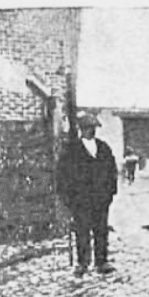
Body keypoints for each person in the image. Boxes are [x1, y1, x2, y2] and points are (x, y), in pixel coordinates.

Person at [57, 112, 118, 277]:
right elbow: (63, 176)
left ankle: (101, 261)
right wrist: (68, 199)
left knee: (101, 230)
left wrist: (110, 193)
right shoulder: (71, 150)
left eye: (94, 128)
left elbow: (112, 171)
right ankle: (83, 263)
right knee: (82, 231)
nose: (91, 131)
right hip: (80, 200)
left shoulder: (104, 148)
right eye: (88, 128)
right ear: (81, 129)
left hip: (100, 199)